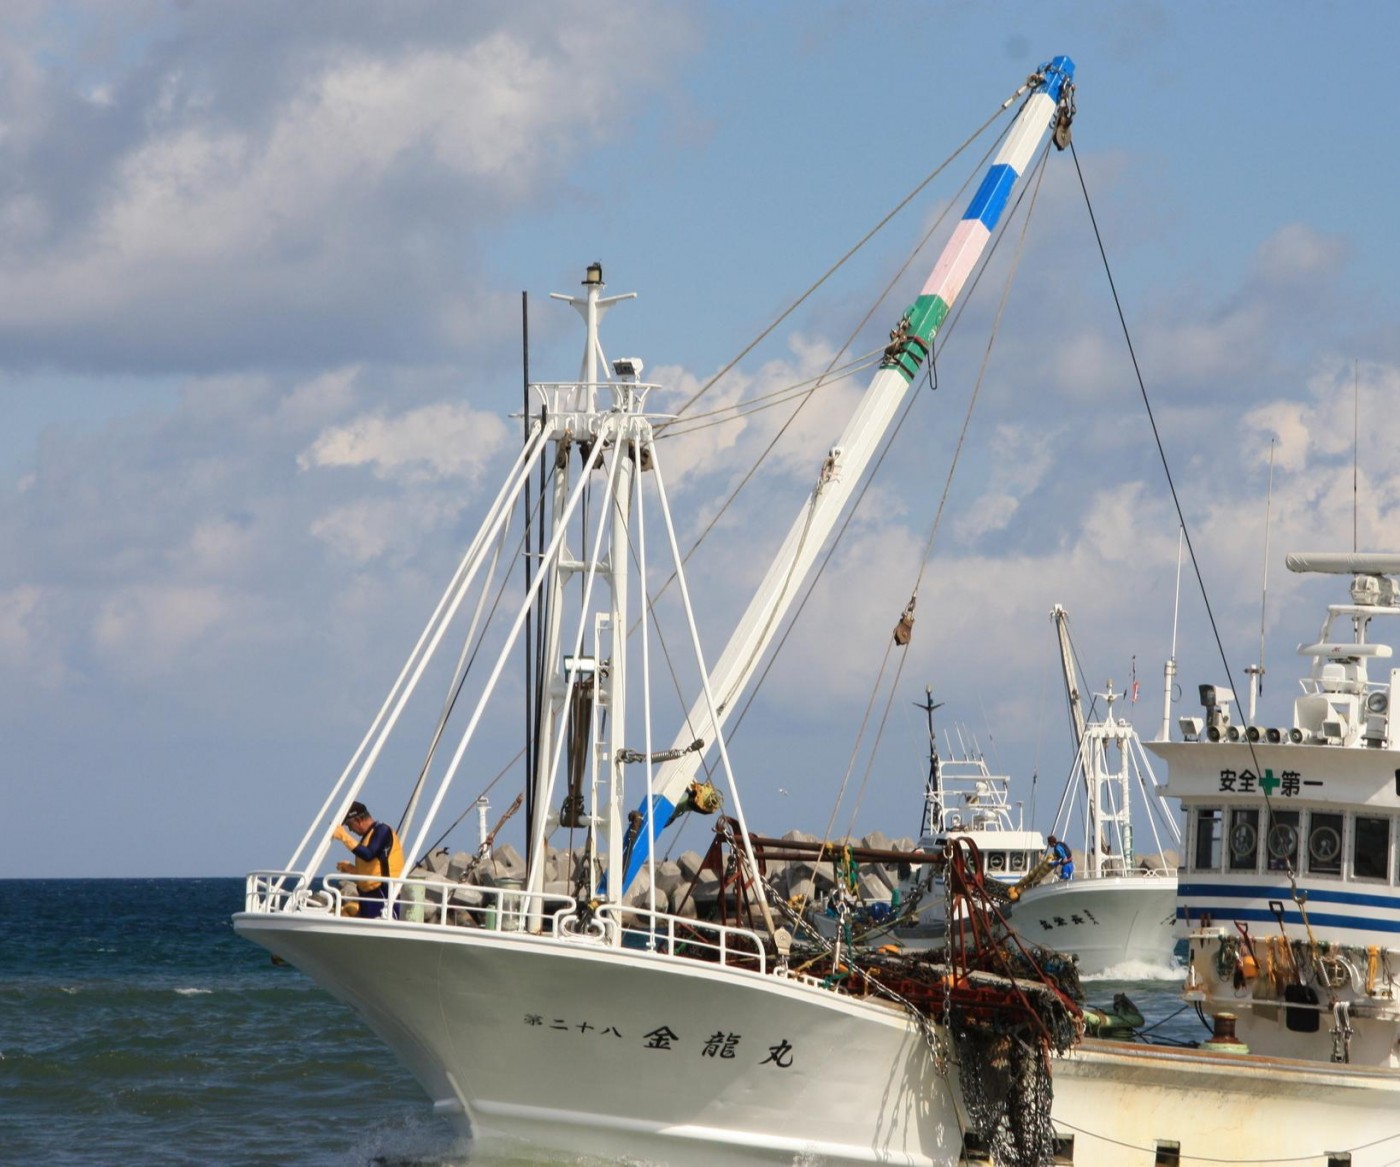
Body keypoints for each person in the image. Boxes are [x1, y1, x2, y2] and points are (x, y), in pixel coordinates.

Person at [333, 801, 404, 918]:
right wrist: (351, 869)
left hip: (383, 894)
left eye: (350, 826)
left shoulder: (382, 831)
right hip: (368, 896)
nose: (350, 830)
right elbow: (372, 868)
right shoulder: (367, 837)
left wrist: (344, 836)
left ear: (358, 820)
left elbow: (368, 854)